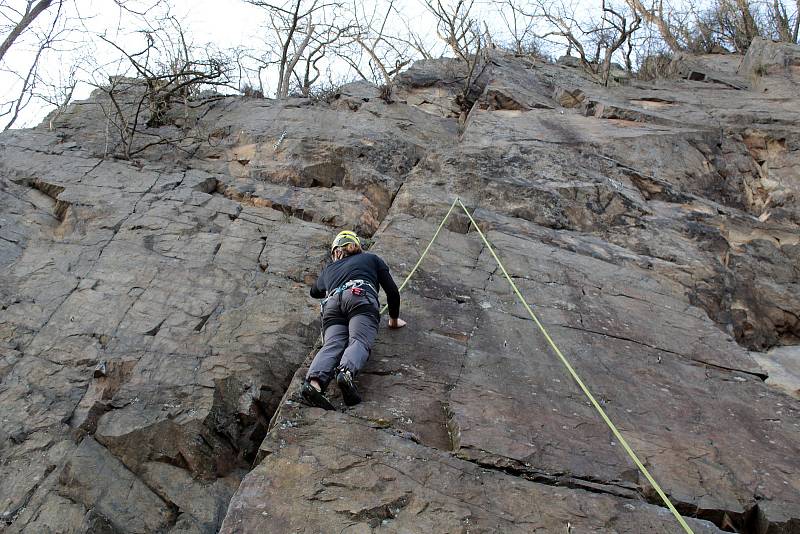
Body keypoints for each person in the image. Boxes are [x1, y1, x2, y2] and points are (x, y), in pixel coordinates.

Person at [301, 230, 406, 410]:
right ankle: (345, 372)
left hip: (332, 305)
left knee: (332, 344)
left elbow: (314, 291)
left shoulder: (329, 270)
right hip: (359, 296)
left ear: (336, 251)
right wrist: (394, 319)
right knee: (359, 339)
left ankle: (314, 384)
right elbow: (392, 291)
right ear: (356, 246)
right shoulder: (371, 259)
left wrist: (331, 278)